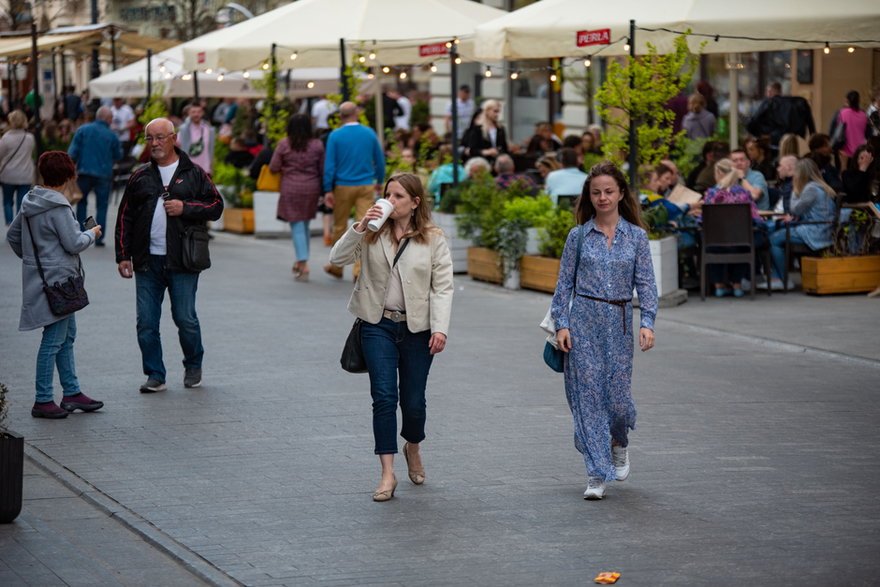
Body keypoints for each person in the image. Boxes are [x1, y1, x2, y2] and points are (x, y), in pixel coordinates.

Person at [328, 173, 453, 501]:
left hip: (417, 329)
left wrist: (439, 328)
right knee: (383, 398)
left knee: (413, 402)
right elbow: (336, 259)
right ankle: (387, 473)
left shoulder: (433, 238)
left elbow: (442, 287)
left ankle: (413, 444)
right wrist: (358, 227)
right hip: (376, 324)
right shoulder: (370, 234)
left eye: (399, 196)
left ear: (415, 203)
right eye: (388, 195)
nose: (391, 201)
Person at [551, 161, 657, 500]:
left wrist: (648, 323)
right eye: (596, 192)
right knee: (588, 399)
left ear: (621, 193)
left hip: (621, 323)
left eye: (609, 191)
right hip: (583, 321)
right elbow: (563, 284)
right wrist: (562, 325)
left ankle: (619, 441)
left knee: (619, 401)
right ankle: (596, 473)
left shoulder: (637, 237)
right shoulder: (579, 236)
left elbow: (647, 284)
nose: (603, 197)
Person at [114, 118, 224, 393]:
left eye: (160, 137)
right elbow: (125, 217)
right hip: (147, 261)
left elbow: (215, 206)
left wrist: (186, 207)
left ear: (174, 138)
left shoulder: (194, 173)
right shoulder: (140, 177)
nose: (155, 143)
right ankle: (155, 374)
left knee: (185, 318)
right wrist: (123, 255)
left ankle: (193, 365)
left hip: (183, 260)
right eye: (150, 138)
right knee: (146, 323)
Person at [6, 151, 104, 419]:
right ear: (68, 175)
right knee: (53, 340)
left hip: (44, 279)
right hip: (60, 282)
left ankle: (72, 392)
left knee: (66, 336)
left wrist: (34, 260)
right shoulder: (59, 207)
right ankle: (43, 399)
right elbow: (74, 243)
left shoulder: (31, 200)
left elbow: (13, 236)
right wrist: (91, 234)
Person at [322, 101, 385, 279]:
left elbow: (330, 165)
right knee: (363, 226)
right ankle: (359, 270)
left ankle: (337, 266)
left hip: (342, 185)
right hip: (365, 184)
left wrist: (327, 188)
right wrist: (379, 180)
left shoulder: (335, 136)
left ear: (341, 116)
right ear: (357, 113)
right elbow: (379, 160)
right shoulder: (369, 133)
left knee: (340, 226)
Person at [764, 158, 836, 291]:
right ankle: (777, 277)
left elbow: (794, 209)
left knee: (772, 239)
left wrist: (795, 189)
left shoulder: (811, 189)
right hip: (818, 227)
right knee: (773, 230)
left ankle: (782, 279)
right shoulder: (818, 186)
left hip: (815, 231)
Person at [270, 113, 325, 281]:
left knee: (297, 226)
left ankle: (303, 263)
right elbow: (322, 169)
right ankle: (301, 260)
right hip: (311, 187)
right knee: (305, 224)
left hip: (291, 187)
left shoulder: (284, 144)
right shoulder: (317, 145)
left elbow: (274, 167)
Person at [702, 158, 764, 297]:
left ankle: (719, 286)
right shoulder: (743, 194)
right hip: (739, 242)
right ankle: (737, 286)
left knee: (710, 240)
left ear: (719, 172)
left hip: (715, 243)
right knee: (743, 241)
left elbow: (702, 220)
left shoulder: (711, 194)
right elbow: (755, 218)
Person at [68, 105, 123, 247]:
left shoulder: (83, 130)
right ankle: (98, 237)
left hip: (84, 172)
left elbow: (72, 152)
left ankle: (82, 233)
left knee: (82, 203)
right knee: (102, 206)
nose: (112, 120)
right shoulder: (111, 135)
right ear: (106, 118)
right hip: (103, 174)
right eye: (111, 118)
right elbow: (118, 154)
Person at [746, 82, 815, 145]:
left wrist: (755, 133)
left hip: (773, 138)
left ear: (769, 92)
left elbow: (755, 118)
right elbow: (809, 121)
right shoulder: (797, 102)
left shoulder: (769, 103)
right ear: (780, 91)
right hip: (792, 138)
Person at [0, 110, 36, 225]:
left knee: (7, 201)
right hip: (25, 175)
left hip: (8, 175)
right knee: (22, 202)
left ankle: (10, 223)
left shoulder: (5, 138)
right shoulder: (30, 138)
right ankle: (19, 225)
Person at [830, 90, 870, 168]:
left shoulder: (841, 113)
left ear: (847, 101)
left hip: (844, 151)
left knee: (842, 174)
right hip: (860, 151)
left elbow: (833, 131)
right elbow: (868, 133)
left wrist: (833, 147)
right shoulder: (864, 115)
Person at [465, 99, 508, 165]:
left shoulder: (500, 129)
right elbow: (472, 150)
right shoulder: (478, 129)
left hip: (497, 164)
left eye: (498, 112)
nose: (497, 114)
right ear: (487, 111)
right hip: (482, 164)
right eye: (495, 111)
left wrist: (499, 152)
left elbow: (505, 148)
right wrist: (486, 152)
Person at [178, 101, 215, 175]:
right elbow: (179, 146)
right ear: (189, 113)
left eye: (198, 112)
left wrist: (211, 166)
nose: (196, 114)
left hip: (205, 169)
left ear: (202, 113)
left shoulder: (208, 129)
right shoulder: (183, 129)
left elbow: (210, 148)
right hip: (189, 169)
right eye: (193, 112)